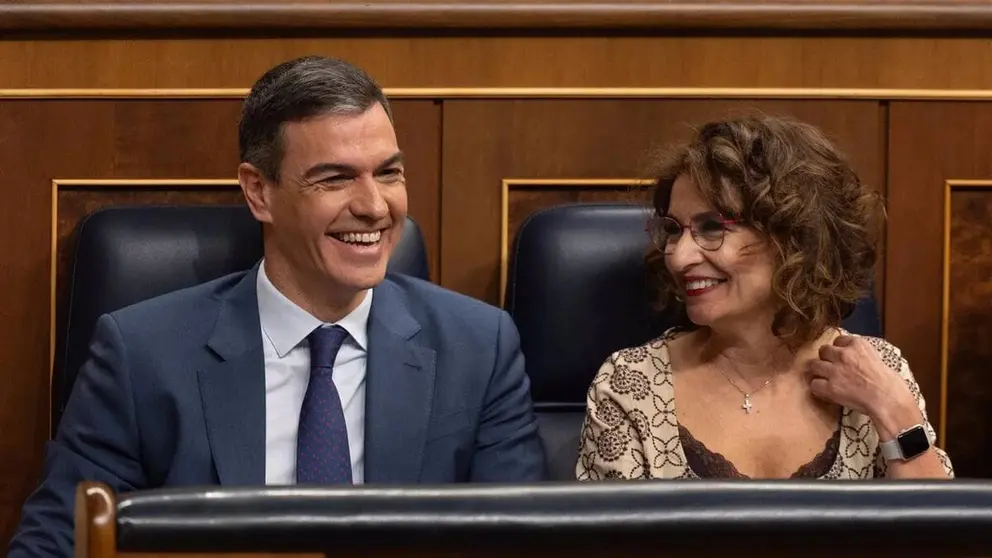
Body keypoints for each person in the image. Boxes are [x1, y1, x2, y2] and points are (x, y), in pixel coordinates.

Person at [10, 56, 547, 557]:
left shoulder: (479, 346)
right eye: (334, 179)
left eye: (388, 173)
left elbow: (522, 545)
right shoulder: (142, 354)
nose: (375, 206)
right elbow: (57, 543)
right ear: (258, 192)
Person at [576, 114, 953, 481]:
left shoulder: (880, 371)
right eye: (675, 230)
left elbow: (937, 539)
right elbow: (608, 544)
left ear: (795, 239)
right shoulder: (631, 384)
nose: (678, 256)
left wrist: (895, 412)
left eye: (711, 227)